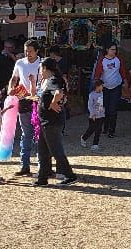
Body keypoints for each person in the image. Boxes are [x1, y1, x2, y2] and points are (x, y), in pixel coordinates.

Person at [34, 58, 77, 187]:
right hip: (45, 120)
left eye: (41, 68)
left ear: (46, 68)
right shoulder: (48, 80)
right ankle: (43, 177)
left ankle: (70, 175)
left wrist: (53, 103)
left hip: (51, 121)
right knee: (43, 150)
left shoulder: (53, 80)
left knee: (55, 150)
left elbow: (59, 92)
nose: (40, 71)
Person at [9, 39, 43, 175]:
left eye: (30, 51)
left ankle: (42, 165)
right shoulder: (20, 63)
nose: (27, 54)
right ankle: (25, 165)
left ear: (37, 51)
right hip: (23, 100)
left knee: (39, 134)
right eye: (25, 51)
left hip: (38, 100)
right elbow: (14, 78)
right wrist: (11, 88)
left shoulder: (42, 63)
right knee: (26, 134)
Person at [92, 44, 126, 138]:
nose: (114, 51)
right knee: (105, 108)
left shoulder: (119, 59)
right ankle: (105, 127)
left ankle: (112, 130)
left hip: (116, 86)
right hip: (105, 87)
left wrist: (125, 82)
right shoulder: (102, 60)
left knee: (113, 109)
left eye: (115, 50)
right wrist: (97, 85)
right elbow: (98, 74)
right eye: (112, 49)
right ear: (107, 50)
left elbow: (122, 71)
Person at [81, 79, 105, 151]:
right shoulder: (92, 95)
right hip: (93, 115)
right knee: (91, 129)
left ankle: (95, 144)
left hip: (101, 114)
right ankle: (84, 138)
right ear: (97, 86)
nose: (102, 87)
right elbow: (90, 105)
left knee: (99, 129)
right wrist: (92, 114)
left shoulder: (103, 94)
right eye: (101, 85)